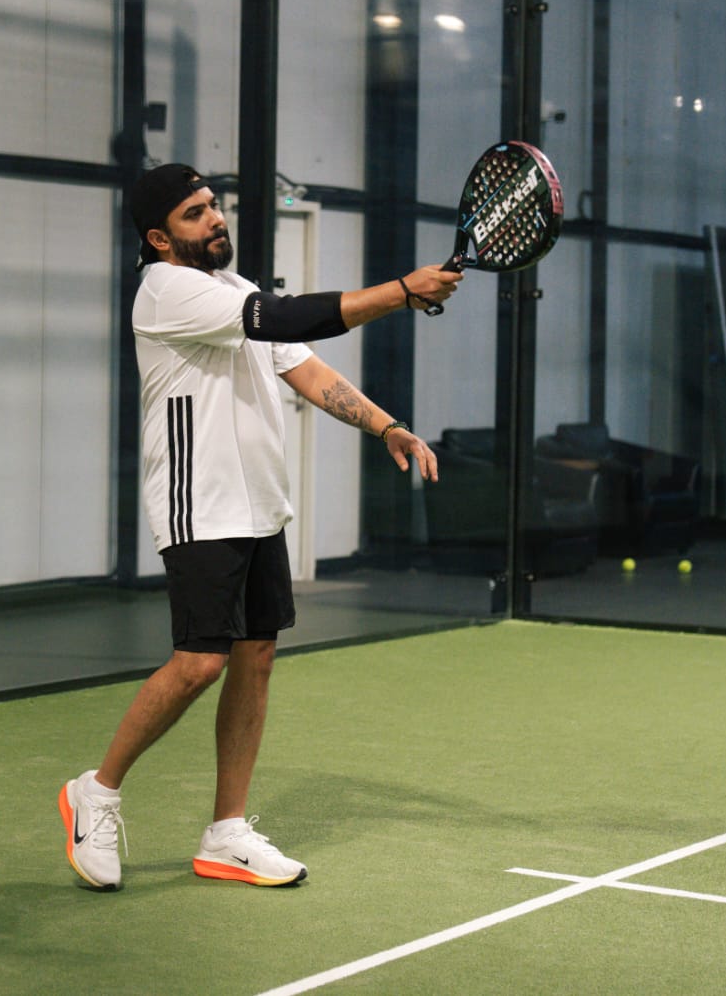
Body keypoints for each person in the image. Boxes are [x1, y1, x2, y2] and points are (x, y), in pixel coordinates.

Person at [58, 163, 461, 891]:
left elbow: (305, 368)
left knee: (255, 658)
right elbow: (288, 319)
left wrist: (386, 426)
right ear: (159, 237)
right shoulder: (166, 291)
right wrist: (402, 292)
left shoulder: (234, 290)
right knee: (199, 662)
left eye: (213, 206)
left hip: (257, 504)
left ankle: (227, 831)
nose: (214, 220)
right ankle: (99, 790)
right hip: (199, 504)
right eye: (193, 214)